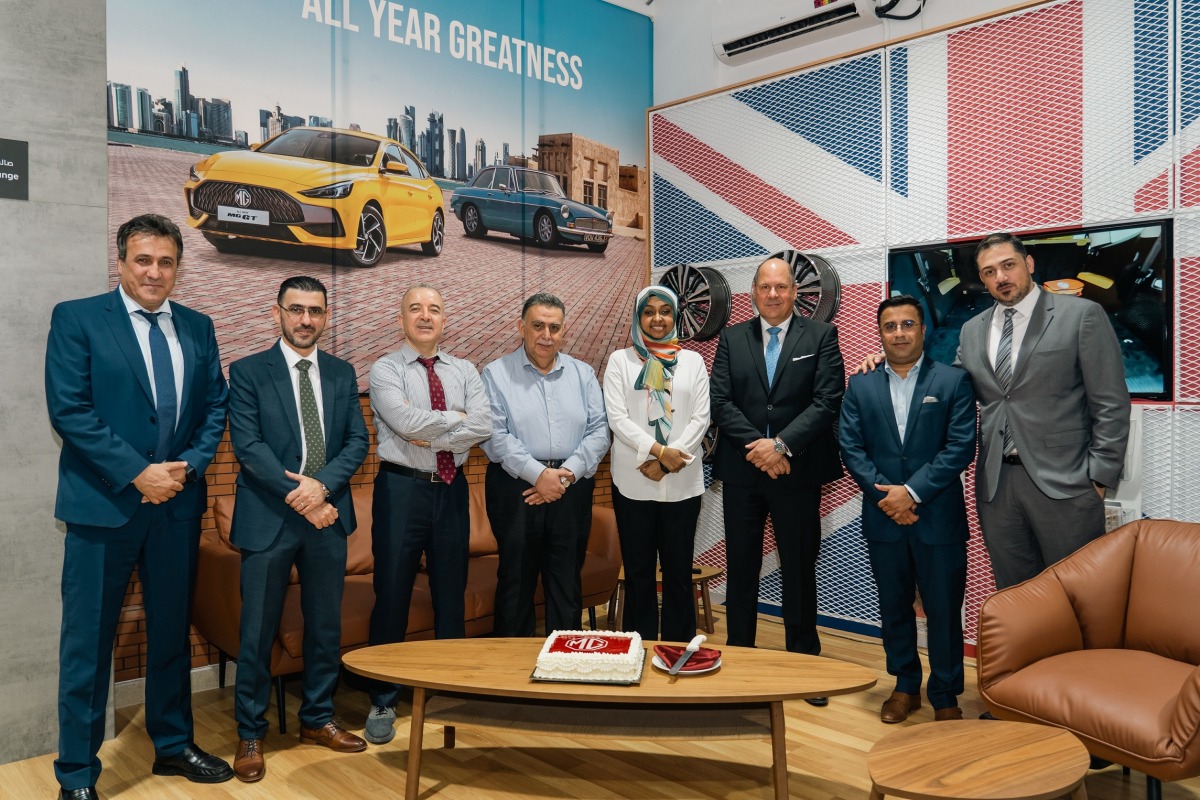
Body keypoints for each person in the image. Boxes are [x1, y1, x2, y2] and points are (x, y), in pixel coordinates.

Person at [46, 214, 232, 800]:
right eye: (143, 260)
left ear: (178, 267)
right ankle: (76, 775)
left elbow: (214, 408)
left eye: (166, 262)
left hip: (176, 508)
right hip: (103, 509)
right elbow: (70, 410)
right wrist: (137, 473)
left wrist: (188, 469)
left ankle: (173, 747)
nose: (155, 272)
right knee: (88, 645)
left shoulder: (199, 328)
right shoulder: (77, 319)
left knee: (172, 634)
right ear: (121, 263)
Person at [861, 233, 1130, 589]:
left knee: (1080, 594)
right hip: (997, 486)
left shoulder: (1081, 315)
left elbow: (1110, 402)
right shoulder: (972, 330)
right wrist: (895, 362)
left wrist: (1098, 478)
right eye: (989, 271)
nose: (1001, 277)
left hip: (1067, 483)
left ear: (1028, 264)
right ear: (982, 278)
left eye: (1008, 266)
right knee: (1015, 597)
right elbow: (947, 384)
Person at [226, 276, 370, 782]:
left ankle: (318, 719)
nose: (306, 319)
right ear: (277, 313)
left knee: (324, 626)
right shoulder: (247, 372)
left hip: (326, 517)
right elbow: (249, 448)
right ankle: (250, 733)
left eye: (315, 311)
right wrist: (303, 499)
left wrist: (321, 489)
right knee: (257, 631)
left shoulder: (340, 372)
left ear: (326, 316)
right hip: (270, 519)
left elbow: (356, 441)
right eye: (296, 310)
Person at [709, 255, 844, 703]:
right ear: (753, 292)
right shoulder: (730, 338)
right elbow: (722, 402)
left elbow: (827, 401)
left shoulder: (821, 336)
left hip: (798, 472)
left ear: (794, 292)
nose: (773, 294)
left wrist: (781, 445)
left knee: (799, 570)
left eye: (781, 287)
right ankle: (742, 661)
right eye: (765, 287)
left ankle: (803, 664)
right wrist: (761, 449)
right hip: (745, 473)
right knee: (743, 570)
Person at [362, 284, 491, 745]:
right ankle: (382, 699)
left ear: (443, 320)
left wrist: (436, 428)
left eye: (434, 309)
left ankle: (449, 689)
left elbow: (485, 424)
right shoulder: (385, 369)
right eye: (415, 308)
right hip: (401, 490)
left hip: (451, 491)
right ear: (401, 320)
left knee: (450, 594)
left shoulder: (465, 370)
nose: (425, 316)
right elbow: (404, 422)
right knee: (392, 594)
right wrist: (456, 422)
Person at [839, 296, 976, 723]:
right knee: (894, 606)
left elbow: (960, 449)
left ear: (922, 329)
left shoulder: (953, 382)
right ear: (879, 333)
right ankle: (903, 686)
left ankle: (946, 693)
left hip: (938, 518)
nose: (899, 333)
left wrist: (911, 494)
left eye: (907, 324)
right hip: (884, 519)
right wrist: (889, 498)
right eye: (890, 326)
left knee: (943, 609)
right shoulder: (860, 385)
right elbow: (850, 447)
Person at [481, 292, 610, 637]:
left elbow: (599, 430)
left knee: (567, 582)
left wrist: (565, 475)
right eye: (537, 325)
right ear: (520, 327)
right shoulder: (495, 374)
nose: (546, 335)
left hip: (573, 487)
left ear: (563, 330)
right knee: (516, 581)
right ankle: (510, 675)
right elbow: (494, 436)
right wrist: (539, 476)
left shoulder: (583, 374)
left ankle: (566, 671)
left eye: (554, 327)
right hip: (515, 488)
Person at [603, 286, 711, 643]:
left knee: (679, 572)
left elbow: (701, 418)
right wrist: (656, 450)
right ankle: (639, 646)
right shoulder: (620, 361)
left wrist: (666, 461)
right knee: (638, 573)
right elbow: (618, 419)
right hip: (633, 484)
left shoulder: (693, 362)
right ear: (638, 318)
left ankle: (680, 649)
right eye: (649, 312)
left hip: (681, 484)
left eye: (666, 311)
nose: (658, 318)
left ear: (675, 316)